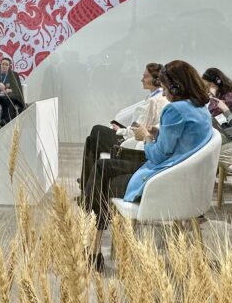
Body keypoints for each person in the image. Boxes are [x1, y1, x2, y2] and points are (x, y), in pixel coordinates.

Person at [85, 59, 213, 269]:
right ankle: (93, 243)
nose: (163, 94)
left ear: (175, 86)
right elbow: (184, 140)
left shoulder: (175, 110)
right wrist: (160, 132)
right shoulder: (200, 108)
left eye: (164, 88)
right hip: (183, 179)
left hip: (164, 181)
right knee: (104, 168)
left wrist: (145, 136)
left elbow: (158, 155)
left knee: (102, 173)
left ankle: (93, 244)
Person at [79, 63, 168, 191]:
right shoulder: (153, 98)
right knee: (91, 139)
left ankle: (86, 184)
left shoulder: (155, 101)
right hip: (133, 137)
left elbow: (140, 129)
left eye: (146, 76)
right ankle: (87, 184)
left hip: (131, 141)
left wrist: (120, 130)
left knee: (96, 130)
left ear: (156, 80)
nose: (142, 79)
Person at [0, 56, 27, 124]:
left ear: (9, 66)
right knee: (8, 101)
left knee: (17, 104)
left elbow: (17, 87)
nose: (4, 66)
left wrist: (10, 90)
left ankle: (4, 122)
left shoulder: (14, 74)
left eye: (6, 65)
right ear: (0, 64)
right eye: (3, 64)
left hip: (10, 95)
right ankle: (5, 123)